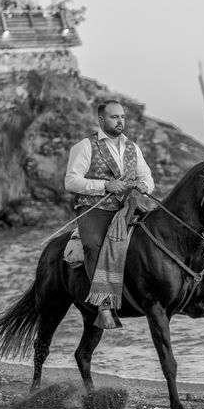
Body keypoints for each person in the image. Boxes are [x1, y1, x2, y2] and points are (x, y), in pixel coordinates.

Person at [65, 99, 155, 289]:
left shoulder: (133, 147)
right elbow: (71, 181)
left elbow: (147, 176)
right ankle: (102, 305)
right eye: (114, 117)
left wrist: (144, 186)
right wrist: (106, 185)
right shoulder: (85, 146)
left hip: (129, 205)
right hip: (94, 207)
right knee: (93, 245)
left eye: (122, 117)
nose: (120, 121)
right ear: (101, 120)